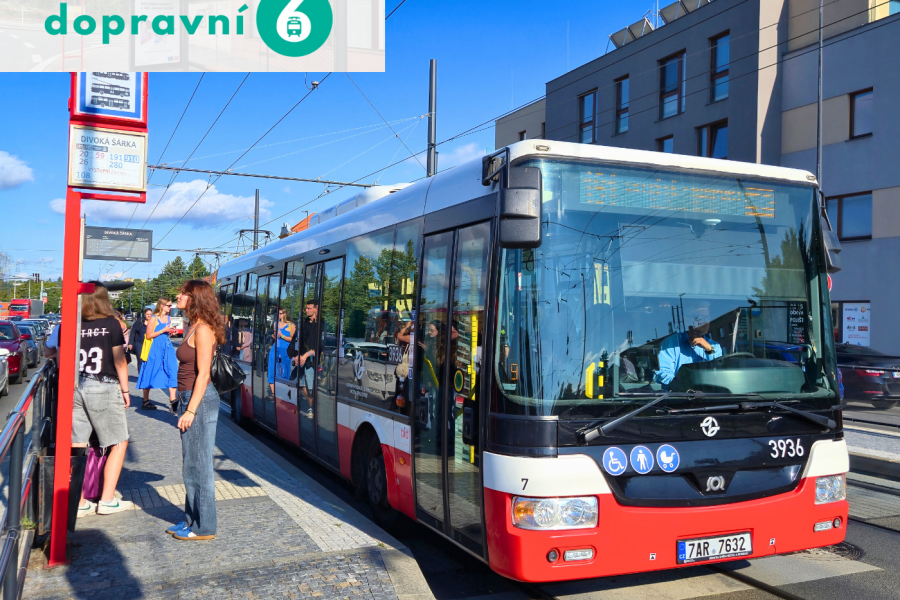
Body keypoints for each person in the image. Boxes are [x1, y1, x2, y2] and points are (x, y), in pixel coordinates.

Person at [166, 280, 224, 541]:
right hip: (189, 398)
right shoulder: (194, 325)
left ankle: (204, 527)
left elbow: (203, 375)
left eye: (183, 293)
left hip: (198, 401)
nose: (178, 296)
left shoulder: (203, 330)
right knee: (191, 463)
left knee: (199, 465)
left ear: (195, 298)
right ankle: (191, 519)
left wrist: (190, 410)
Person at [73, 283, 135, 517]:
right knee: (119, 441)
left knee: (77, 443)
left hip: (75, 387)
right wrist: (126, 391)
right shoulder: (111, 324)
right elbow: (119, 361)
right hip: (104, 385)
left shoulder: (73, 324)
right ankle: (107, 500)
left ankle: (79, 503)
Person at [654, 305, 723, 386]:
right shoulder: (670, 344)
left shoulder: (714, 346)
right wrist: (686, 386)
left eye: (708, 317)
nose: (706, 322)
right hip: (679, 393)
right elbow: (662, 375)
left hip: (710, 393)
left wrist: (709, 350)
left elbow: (720, 375)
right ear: (687, 320)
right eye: (700, 318)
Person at [136, 298, 178, 412]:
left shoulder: (168, 318)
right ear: (162, 306)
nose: (170, 307)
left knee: (172, 371)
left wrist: (170, 332)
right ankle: (145, 400)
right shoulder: (154, 318)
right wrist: (163, 330)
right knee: (150, 371)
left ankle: (173, 402)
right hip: (154, 348)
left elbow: (165, 333)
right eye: (169, 305)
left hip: (167, 347)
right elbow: (149, 335)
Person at [289, 300, 318, 406]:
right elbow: (297, 340)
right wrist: (296, 355)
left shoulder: (320, 325)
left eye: (309, 308)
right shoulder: (304, 323)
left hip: (311, 360)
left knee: (310, 386)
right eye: (306, 308)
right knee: (300, 384)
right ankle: (311, 406)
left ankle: (312, 408)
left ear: (316, 309)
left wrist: (306, 355)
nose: (306, 310)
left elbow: (319, 346)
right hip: (300, 358)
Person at [128, 308, 154, 409]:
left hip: (149, 344)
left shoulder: (153, 322)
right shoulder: (140, 321)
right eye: (147, 314)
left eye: (150, 314)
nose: (149, 316)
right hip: (139, 343)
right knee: (140, 359)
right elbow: (133, 331)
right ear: (144, 314)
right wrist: (131, 343)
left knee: (147, 359)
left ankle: (147, 372)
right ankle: (141, 374)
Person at [267, 308, 294, 395]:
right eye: (278, 313)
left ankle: (283, 392)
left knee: (284, 371)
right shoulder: (276, 323)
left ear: (285, 314)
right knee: (272, 370)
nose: (279, 315)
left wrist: (282, 335)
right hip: (275, 349)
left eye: (281, 313)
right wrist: (274, 336)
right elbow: (276, 336)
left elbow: (292, 339)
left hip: (285, 350)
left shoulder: (291, 325)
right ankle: (274, 393)